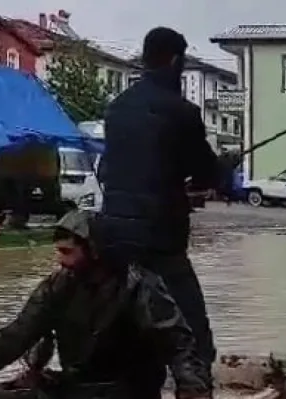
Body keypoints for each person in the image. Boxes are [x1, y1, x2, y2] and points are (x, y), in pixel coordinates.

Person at [0, 210, 212, 399]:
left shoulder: (138, 285)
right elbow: (14, 337)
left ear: (94, 250)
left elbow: (179, 345)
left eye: (68, 252)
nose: (60, 261)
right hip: (74, 388)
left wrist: (191, 390)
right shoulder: (58, 286)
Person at [97, 27, 220, 382]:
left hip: (113, 238)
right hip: (160, 239)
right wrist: (222, 169)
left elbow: (120, 167)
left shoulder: (116, 108)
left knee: (126, 324)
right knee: (193, 331)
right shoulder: (182, 112)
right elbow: (204, 173)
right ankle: (198, 388)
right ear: (176, 61)